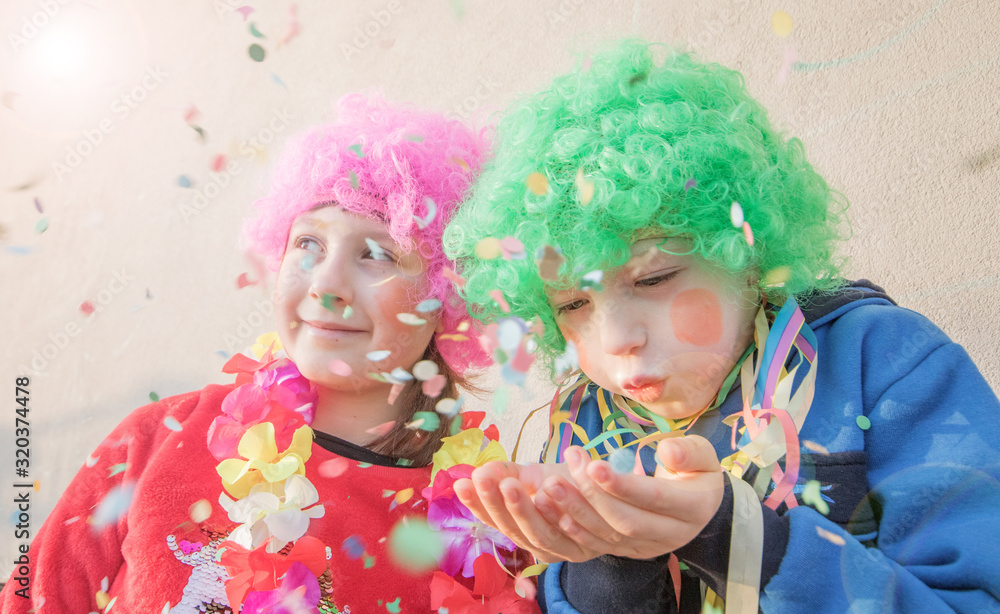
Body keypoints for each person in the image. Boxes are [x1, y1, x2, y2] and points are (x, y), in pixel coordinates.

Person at [443, 39, 1000, 613]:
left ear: (746, 253)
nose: (615, 341)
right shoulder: (582, 425)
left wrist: (739, 536)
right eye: (571, 306)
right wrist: (614, 562)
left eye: (655, 278)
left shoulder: (883, 363)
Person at [1, 94, 541, 614]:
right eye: (308, 243)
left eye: (376, 253)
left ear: (449, 296)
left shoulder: (479, 527)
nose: (327, 285)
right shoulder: (160, 436)